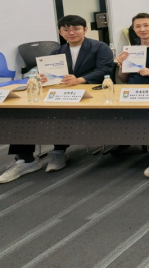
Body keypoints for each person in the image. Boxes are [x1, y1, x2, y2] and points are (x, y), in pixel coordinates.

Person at [1, 15, 115, 183]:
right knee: (24, 112)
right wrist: (43, 77)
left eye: (76, 28)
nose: (71, 32)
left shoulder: (100, 47)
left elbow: (105, 69)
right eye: (66, 29)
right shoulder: (57, 52)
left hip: (91, 92)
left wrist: (80, 80)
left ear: (85, 29)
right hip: (63, 92)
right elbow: (50, 74)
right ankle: (25, 160)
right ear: (60, 32)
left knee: (60, 112)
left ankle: (58, 152)